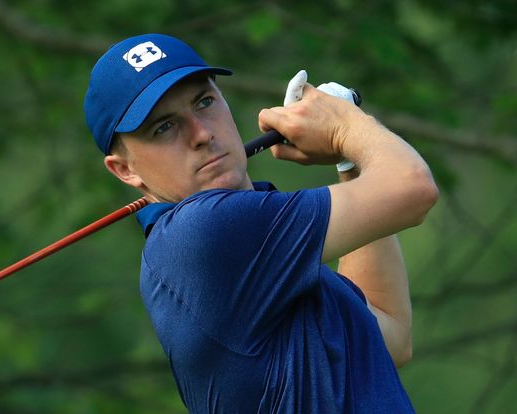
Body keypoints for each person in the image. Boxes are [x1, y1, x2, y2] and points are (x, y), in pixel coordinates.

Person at [83, 33, 438, 413]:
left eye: (204, 103)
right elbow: (413, 188)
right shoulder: (203, 233)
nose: (202, 134)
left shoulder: (263, 255)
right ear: (124, 169)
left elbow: (389, 335)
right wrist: (345, 126)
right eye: (164, 128)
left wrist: (349, 160)